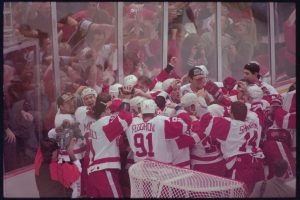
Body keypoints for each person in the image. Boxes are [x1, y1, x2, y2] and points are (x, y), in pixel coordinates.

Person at [191, 101, 265, 194]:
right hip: (257, 162)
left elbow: (206, 122)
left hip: (241, 166)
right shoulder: (253, 121)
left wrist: (200, 109)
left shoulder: (230, 125)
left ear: (232, 113)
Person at [87, 93, 132, 197]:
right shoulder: (105, 122)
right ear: (104, 112)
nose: (111, 111)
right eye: (108, 110)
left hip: (95, 171)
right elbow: (127, 117)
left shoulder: (94, 125)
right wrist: (125, 99)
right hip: (104, 170)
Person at [125, 99, 189, 165]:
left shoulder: (131, 122)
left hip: (141, 168)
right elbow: (185, 122)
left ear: (141, 110)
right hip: (161, 169)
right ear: (155, 110)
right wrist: (178, 108)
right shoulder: (161, 121)